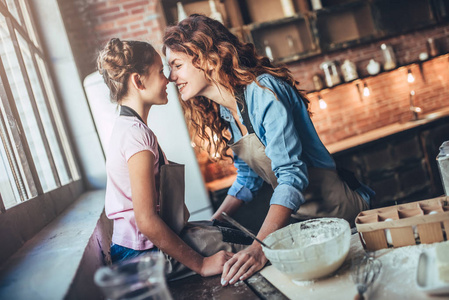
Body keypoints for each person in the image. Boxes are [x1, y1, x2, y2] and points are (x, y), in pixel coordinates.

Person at [163, 14, 375, 286]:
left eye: (177, 65)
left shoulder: (262, 92)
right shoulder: (228, 109)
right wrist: (215, 224)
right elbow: (247, 179)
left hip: (343, 219)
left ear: (206, 58)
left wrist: (260, 247)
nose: (171, 77)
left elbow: (291, 175)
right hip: (305, 225)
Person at [98, 38, 245, 278]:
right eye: (160, 72)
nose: (169, 79)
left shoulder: (129, 128)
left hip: (138, 249)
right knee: (245, 251)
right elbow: (145, 220)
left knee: (232, 236)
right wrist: (202, 264)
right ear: (138, 81)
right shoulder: (136, 136)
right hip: (143, 256)